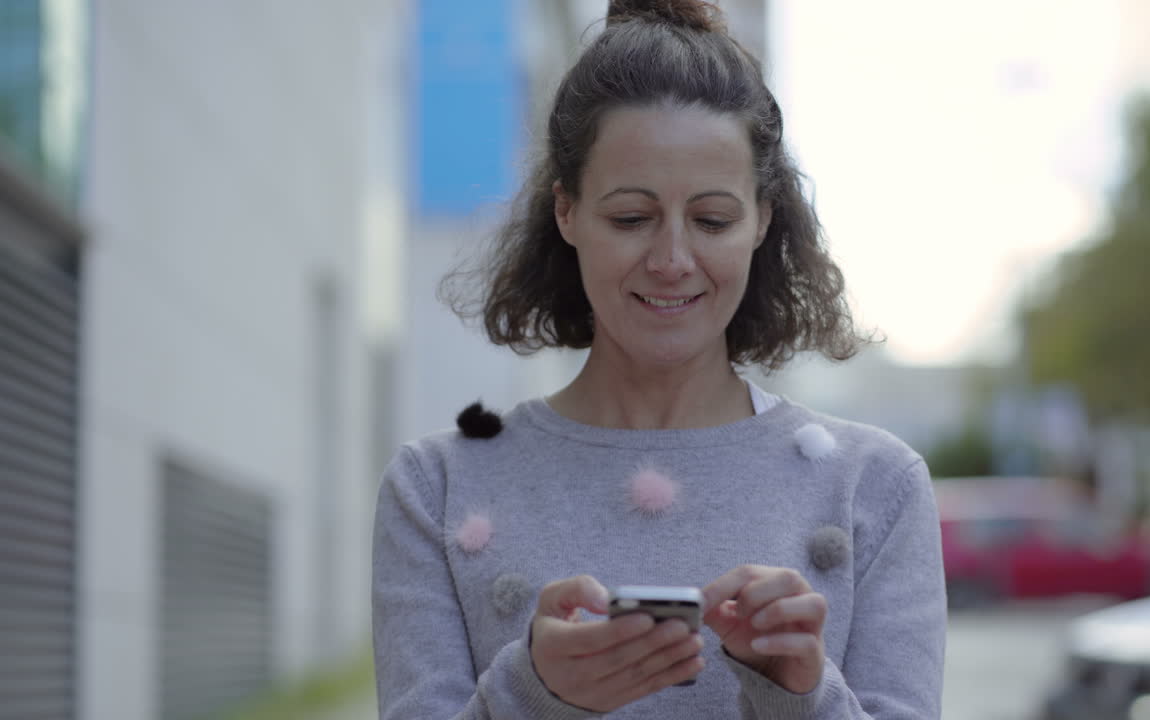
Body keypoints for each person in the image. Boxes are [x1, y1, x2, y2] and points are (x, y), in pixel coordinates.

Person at [371, 1, 946, 717]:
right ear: (566, 212)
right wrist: (533, 694)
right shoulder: (437, 488)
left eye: (712, 220)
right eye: (631, 218)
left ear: (762, 219)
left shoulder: (874, 487)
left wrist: (802, 694)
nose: (672, 259)